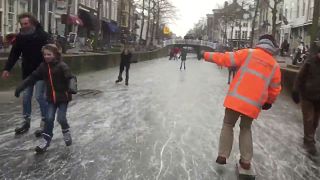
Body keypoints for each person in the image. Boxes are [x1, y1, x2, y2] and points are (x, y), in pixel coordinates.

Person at [202, 34, 282, 170]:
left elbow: (225, 58)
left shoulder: (248, 53)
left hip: (235, 100)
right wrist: (269, 101)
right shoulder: (274, 66)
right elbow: (275, 88)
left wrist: (206, 55)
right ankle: (245, 161)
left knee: (228, 125)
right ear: (273, 46)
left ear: (260, 42)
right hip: (253, 105)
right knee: (245, 129)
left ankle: (222, 155)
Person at [14, 44, 73, 153]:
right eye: (45, 54)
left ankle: (65, 131)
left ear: (55, 54)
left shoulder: (62, 66)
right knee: (48, 118)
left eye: (49, 54)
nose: (46, 56)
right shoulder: (43, 67)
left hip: (63, 98)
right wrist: (21, 87)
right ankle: (46, 140)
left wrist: (72, 87)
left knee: (61, 118)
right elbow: (32, 77)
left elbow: (70, 77)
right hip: (51, 98)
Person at [1, 13, 50, 136]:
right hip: (27, 72)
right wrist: (7, 69)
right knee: (26, 97)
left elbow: (51, 53)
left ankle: (45, 122)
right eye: (22, 24)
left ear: (32, 23)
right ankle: (26, 121)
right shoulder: (20, 37)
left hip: (40, 72)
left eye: (26, 23)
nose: (24, 26)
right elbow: (14, 54)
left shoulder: (43, 36)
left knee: (39, 96)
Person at [292, 46, 320, 155]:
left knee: (315, 120)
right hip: (307, 95)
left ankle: (309, 138)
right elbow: (300, 76)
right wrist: (295, 90)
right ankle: (309, 142)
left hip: (319, 98)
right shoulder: (310, 62)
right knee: (308, 118)